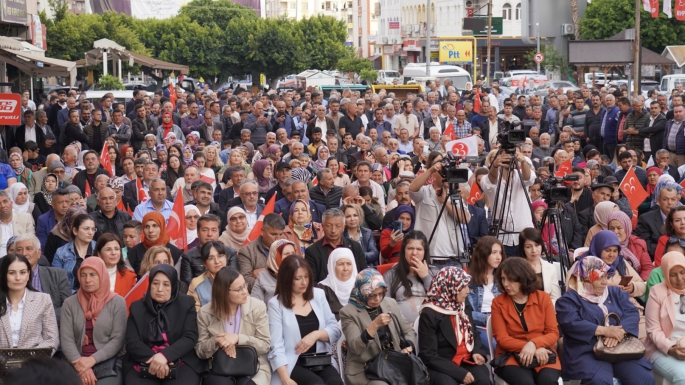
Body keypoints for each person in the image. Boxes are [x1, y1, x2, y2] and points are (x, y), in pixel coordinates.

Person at [556, 255, 654, 385]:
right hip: (588, 351)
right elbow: (571, 323)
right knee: (600, 381)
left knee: (643, 378)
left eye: (605, 277)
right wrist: (604, 331)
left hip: (621, 347)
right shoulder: (569, 299)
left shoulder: (615, 293)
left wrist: (619, 332)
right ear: (585, 278)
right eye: (598, 278)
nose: (605, 282)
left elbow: (631, 312)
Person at [267, 255, 343, 385]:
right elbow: (276, 346)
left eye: (306, 277)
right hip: (293, 362)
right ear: (287, 279)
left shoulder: (318, 295)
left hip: (320, 359)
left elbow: (335, 329)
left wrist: (316, 335)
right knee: (316, 384)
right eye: (298, 278)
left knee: (335, 382)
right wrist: (285, 379)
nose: (304, 282)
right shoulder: (276, 304)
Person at [124, 264, 204, 384]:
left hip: (179, 359)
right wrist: (155, 360)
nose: (160, 289)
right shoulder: (137, 307)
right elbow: (132, 342)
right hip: (143, 359)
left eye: (166, 284)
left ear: (173, 285)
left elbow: (189, 337)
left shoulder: (186, 303)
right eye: (155, 283)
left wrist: (165, 356)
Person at [195, 267, 272, 385]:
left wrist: (238, 338)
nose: (245, 291)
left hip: (253, 366)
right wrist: (216, 340)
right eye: (239, 289)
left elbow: (265, 345)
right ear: (224, 292)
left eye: (244, 286)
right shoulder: (205, 313)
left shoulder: (257, 307)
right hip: (219, 367)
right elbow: (200, 351)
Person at [340, 267, 417, 385]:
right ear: (362, 292)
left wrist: (409, 346)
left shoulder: (390, 303)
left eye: (381, 293)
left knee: (419, 376)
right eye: (372, 295)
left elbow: (408, 331)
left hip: (394, 364)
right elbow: (355, 347)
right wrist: (375, 325)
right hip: (366, 369)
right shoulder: (348, 312)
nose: (378, 299)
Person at [490, 257, 561, 385]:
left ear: (523, 278)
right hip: (511, 355)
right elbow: (501, 339)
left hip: (543, 352)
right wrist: (528, 347)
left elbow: (553, 332)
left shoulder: (543, 298)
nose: (506, 284)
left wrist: (534, 345)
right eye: (503, 279)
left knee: (548, 381)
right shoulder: (498, 303)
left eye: (510, 279)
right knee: (525, 382)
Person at [417, 267, 492, 385]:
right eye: (464, 286)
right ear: (450, 287)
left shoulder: (463, 304)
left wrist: (477, 351)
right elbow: (428, 355)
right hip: (443, 365)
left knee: (484, 381)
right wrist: (459, 373)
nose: (468, 291)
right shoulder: (430, 313)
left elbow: (473, 332)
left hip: (467, 360)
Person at [60, 257, 128, 385]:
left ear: (102, 275)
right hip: (75, 362)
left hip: (108, 363)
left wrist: (92, 360)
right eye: (83, 275)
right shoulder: (69, 303)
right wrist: (81, 365)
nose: (87, 280)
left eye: (93, 275)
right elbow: (67, 339)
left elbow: (117, 340)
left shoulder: (117, 302)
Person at [0, 254, 59, 354]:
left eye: (22, 272)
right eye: (11, 273)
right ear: (3, 275)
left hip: (34, 364)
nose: (18, 278)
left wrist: (32, 360)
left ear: (28, 274)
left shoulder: (43, 300)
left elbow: (51, 339)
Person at [381, 230, 437, 325]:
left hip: (430, 328)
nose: (414, 253)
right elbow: (385, 305)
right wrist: (403, 326)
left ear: (425, 252)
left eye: (419, 249)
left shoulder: (435, 272)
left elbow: (441, 301)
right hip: (401, 329)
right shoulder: (391, 274)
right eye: (410, 248)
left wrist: (426, 277)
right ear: (404, 250)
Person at [645, 252, 685, 384]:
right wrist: (670, 348)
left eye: (682, 272)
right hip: (662, 348)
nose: (679, 279)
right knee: (682, 376)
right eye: (673, 275)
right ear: (666, 274)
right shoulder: (657, 292)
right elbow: (653, 330)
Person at [305, 208, 367, 283]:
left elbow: (364, 275)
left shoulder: (355, 246)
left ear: (344, 227)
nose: (333, 230)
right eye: (329, 225)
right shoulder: (312, 251)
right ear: (322, 226)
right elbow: (312, 282)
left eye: (338, 226)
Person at [467, 236, 505, 353]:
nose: (498, 257)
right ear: (483, 253)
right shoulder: (468, 280)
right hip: (479, 325)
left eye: (500, 253)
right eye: (494, 253)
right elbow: (465, 312)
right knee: (497, 347)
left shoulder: (503, 279)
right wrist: (487, 318)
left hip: (502, 322)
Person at [239, 214, 286, 292]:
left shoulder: (288, 247)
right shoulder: (246, 251)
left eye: (281, 234)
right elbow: (245, 280)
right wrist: (272, 288)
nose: (278, 238)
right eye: (273, 234)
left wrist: (267, 271)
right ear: (262, 231)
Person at [127, 212, 183, 277]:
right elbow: (129, 280)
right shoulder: (133, 252)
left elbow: (177, 281)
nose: (150, 230)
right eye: (147, 226)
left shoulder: (175, 253)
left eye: (155, 226)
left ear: (162, 227)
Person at [52, 213, 97, 292]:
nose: (90, 232)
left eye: (93, 229)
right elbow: (57, 281)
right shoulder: (61, 252)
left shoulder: (99, 248)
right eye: (86, 229)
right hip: (70, 297)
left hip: (95, 296)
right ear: (75, 231)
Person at [518, 228, 561, 305]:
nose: (534, 250)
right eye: (528, 247)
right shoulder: (517, 268)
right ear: (523, 248)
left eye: (537, 245)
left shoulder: (550, 268)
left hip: (546, 309)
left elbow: (556, 297)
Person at [606, 210, 653, 281]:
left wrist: (640, 283)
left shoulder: (637, 243)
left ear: (627, 228)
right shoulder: (604, 245)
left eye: (619, 228)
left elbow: (647, 268)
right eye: (612, 228)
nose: (615, 232)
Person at [251, 239, 297, 305]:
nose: (291, 257)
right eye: (287, 254)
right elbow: (255, 305)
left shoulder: (301, 274)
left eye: (293, 253)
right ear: (275, 256)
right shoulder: (263, 276)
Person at [317, 248, 358, 320]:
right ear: (332, 266)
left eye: (349, 264)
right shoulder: (322, 289)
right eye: (341, 264)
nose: (345, 268)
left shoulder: (360, 285)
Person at [187, 241, 229, 311]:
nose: (217, 261)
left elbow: (246, 304)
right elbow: (194, 312)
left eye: (220, 256)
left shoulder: (237, 279)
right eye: (211, 258)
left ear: (225, 258)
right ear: (204, 263)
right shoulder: (196, 283)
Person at [95, 233, 137, 298]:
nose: (113, 253)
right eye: (108, 249)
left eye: (116, 249)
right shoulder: (91, 275)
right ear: (99, 254)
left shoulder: (130, 276)